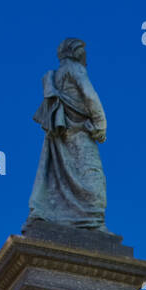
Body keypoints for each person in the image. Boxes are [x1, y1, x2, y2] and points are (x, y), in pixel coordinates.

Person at [27, 38, 107, 229]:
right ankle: (92, 222)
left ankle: (73, 219)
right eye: (82, 51)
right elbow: (90, 96)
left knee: (58, 179)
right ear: (75, 52)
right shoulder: (75, 69)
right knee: (94, 181)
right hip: (80, 134)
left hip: (63, 137)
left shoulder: (55, 76)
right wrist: (100, 124)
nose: (85, 56)